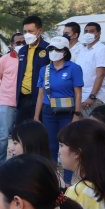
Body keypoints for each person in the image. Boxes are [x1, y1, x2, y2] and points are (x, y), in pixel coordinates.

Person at [33, 35, 84, 184]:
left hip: (68, 112)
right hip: (48, 111)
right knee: (51, 146)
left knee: (67, 145)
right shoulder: (44, 70)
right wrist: (36, 116)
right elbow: (40, 94)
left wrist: (77, 113)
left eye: (57, 49)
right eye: (51, 49)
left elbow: (78, 93)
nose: (53, 51)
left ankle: (67, 182)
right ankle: (53, 180)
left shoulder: (74, 68)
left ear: (65, 51)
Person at [0, 33, 25, 167]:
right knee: (2, 136)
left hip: (24, 102)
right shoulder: (3, 60)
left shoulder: (29, 60)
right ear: (12, 45)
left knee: (22, 136)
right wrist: (2, 93)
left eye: (23, 42)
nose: (21, 45)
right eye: (18, 43)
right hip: (7, 101)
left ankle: (19, 163)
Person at [15, 15, 50, 124]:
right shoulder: (22, 51)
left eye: (30, 31)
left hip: (40, 99)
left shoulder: (48, 49)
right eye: (25, 32)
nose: (27, 35)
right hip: (23, 99)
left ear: (40, 31)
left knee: (39, 135)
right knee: (22, 134)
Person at [74, 22, 105, 115]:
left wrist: (92, 96)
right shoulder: (82, 50)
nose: (88, 34)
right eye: (86, 31)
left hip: (93, 98)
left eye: (91, 31)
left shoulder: (101, 49)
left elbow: (101, 74)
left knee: (93, 128)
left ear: (99, 34)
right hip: (80, 97)